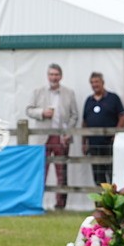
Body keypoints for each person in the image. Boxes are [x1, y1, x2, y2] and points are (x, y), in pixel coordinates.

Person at [25, 63, 78, 210]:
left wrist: (69, 131)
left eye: (56, 74)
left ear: (61, 76)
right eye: (51, 74)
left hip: (61, 137)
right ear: (47, 76)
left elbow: (75, 115)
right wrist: (42, 113)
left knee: (62, 172)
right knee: (41, 171)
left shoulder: (69, 93)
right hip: (43, 138)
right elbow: (28, 110)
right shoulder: (38, 92)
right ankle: (36, 203)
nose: (54, 77)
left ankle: (60, 205)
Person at [82, 72, 124, 186]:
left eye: (97, 82)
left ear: (102, 82)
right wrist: (84, 142)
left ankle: (113, 202)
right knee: (98, 176)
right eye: (92, 82)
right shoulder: (89, 100)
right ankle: (99, 203)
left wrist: (116, 133)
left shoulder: (113, 98)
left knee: (112, 173)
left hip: (110, 143)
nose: (94, 85)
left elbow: (122, 117)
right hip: (94, 144)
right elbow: (84, 122)